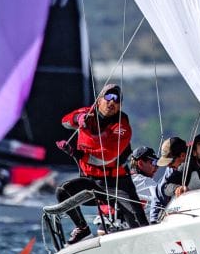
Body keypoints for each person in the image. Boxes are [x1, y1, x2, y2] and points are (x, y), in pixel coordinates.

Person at [54, 83, 148, 243]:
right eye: (109, 97)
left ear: (120, 106)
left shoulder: (122, 127)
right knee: (63, 191)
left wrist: (75, 153)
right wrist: (78, 118)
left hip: (118, 184)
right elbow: (65, 122)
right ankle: (83, 229)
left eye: (117, 100)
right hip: (91, 182)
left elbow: (106, 157)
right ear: (99, 100)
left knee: (140, 228)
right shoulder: (88, 113)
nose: (112, 102)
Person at [152, 136, 189, 218]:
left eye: (170, 162)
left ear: (183, 155)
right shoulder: (171, 169)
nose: (168, 166)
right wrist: (176, 188)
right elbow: (162, 189)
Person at [128, 145, 159, 221]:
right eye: (153, 162)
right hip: (124, 224)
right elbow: (162, 195)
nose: (157, 167)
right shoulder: (143, 181)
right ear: (141, 163)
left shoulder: (127, 178)